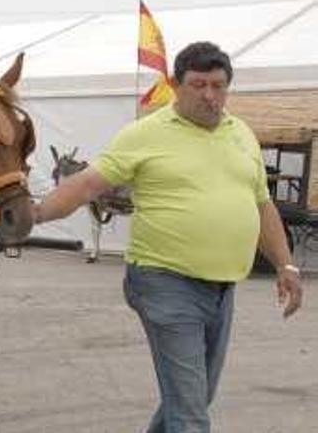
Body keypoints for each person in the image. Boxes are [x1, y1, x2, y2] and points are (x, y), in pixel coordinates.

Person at [33, 41, 303, 432]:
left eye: (218, 86)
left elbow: (262, 205)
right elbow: (87, 184)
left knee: (193, 397)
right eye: (198, 85)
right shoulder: (145, 133)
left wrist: (286, 264)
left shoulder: (241, 134)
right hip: (164, 281)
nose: (209, 95)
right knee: (191, 414)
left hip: (222, 288)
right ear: (177, 85)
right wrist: (37, 214)